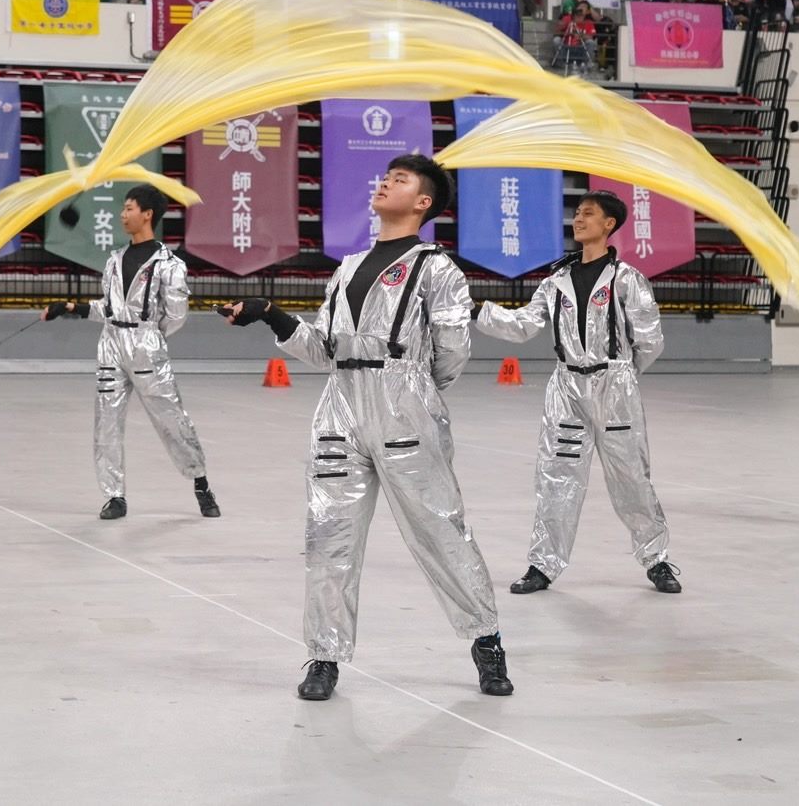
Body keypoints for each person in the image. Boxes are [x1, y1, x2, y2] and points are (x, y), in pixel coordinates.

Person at [223, 155, 512, 702]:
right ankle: (323, 655)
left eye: (400, 180)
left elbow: (452, 353)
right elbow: (324, 350)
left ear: (423, 203)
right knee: (328, 538)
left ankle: (486, 638)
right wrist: (271, 314)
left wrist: (413, 394)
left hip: (404, 406)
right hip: (340, 410)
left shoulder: (437, 268)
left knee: (440, 532)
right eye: (385, 176)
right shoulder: (349, 266)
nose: (385, 183)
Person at [474, 191, 680, 595]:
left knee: (630, 478)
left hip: (614, 386)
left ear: (609, 225)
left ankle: (656, 559)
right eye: (578, 212)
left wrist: (621, 374)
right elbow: (523, 325)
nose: (579, 218)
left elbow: (650, 339)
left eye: (590, 213)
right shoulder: (556, 281)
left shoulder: (627, 279)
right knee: (557, 476)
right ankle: (543, 564)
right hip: (566, 387)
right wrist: (478, 310)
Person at [42, 185, 218, 521]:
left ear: (147, 214)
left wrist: (149, 335)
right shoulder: (114, 260)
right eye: (123, 209)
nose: (123, 215)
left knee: (172, 420)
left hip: (146, 349)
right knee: (106, 422)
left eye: (129, 208)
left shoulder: (169, 264)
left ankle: (200, 482)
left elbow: (177, 314)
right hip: (110, 347)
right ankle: (115, 496)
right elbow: (109, 309)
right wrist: (70, 307)